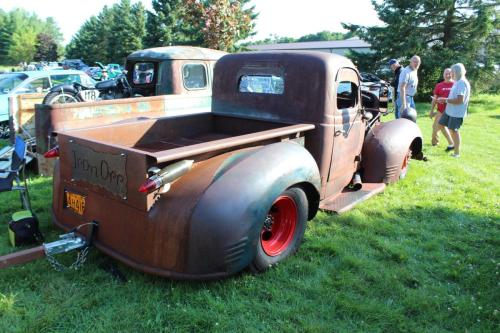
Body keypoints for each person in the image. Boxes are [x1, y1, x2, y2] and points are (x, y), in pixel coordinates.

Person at [437, 63, 471, 158]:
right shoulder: (457, 81)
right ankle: (451, 144)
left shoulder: (462, 83)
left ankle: (456, 153)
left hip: (456, 112)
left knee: (454, 130)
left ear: (456, 72)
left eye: (452, 72)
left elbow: (460, 100)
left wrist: (445, 100)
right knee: (440, 125)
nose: (450, 74)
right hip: (450, 110)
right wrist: (445, 99)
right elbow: (454, 96)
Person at [429, 68, 454, 148]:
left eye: (449, 73)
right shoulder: (439, 85)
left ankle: (453, 144)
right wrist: (432, 111)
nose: (448, 75)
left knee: (451, 129)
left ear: (452, 74)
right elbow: (434, 99)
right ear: (443, 75)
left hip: (452, 111)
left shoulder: (455, 85)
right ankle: (434, 144)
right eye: (446, 74)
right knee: (436, 127)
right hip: (440, 110)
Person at [397, 55, 421, 119]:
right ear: (410, 61)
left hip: (410, 98)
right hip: (404, 97)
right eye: (415, 62)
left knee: (412, 117)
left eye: (418, 62)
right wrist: (404, 104)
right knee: (403, 119)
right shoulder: (406, 72)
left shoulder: (414, 70)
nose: (417, 63)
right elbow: (402, 87)